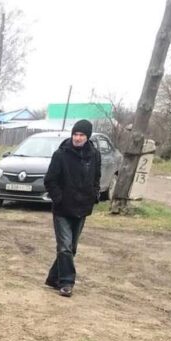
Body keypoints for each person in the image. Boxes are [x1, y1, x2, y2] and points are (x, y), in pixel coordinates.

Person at [44, 119, 101, 297]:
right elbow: (50, 180)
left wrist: (94, 195)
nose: (77, 138)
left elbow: (96, 178)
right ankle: (67, 283)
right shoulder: (61, 154)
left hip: (82, 207)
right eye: (75, 134)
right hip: (62, 209)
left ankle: (54, 278)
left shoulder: (94, 155)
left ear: (87, 136)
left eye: (81, 135)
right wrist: (59, 198)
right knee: (65, 247)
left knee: (71, 248)